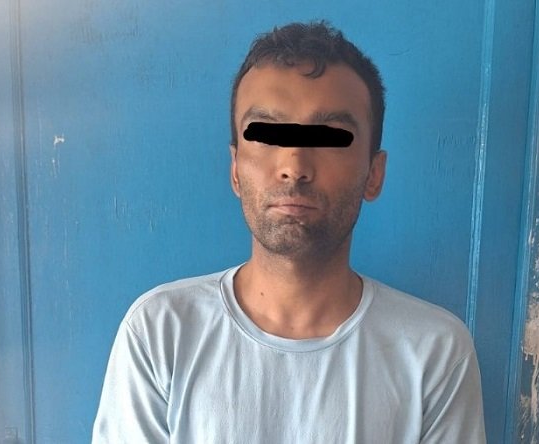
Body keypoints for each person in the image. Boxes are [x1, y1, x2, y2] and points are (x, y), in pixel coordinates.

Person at [92, 21, 486, 443]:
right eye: (266, 135)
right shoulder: (159, 332)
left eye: (331, 137)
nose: (294, 166)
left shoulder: (434, 352)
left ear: (374, 173)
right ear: (235, 170)